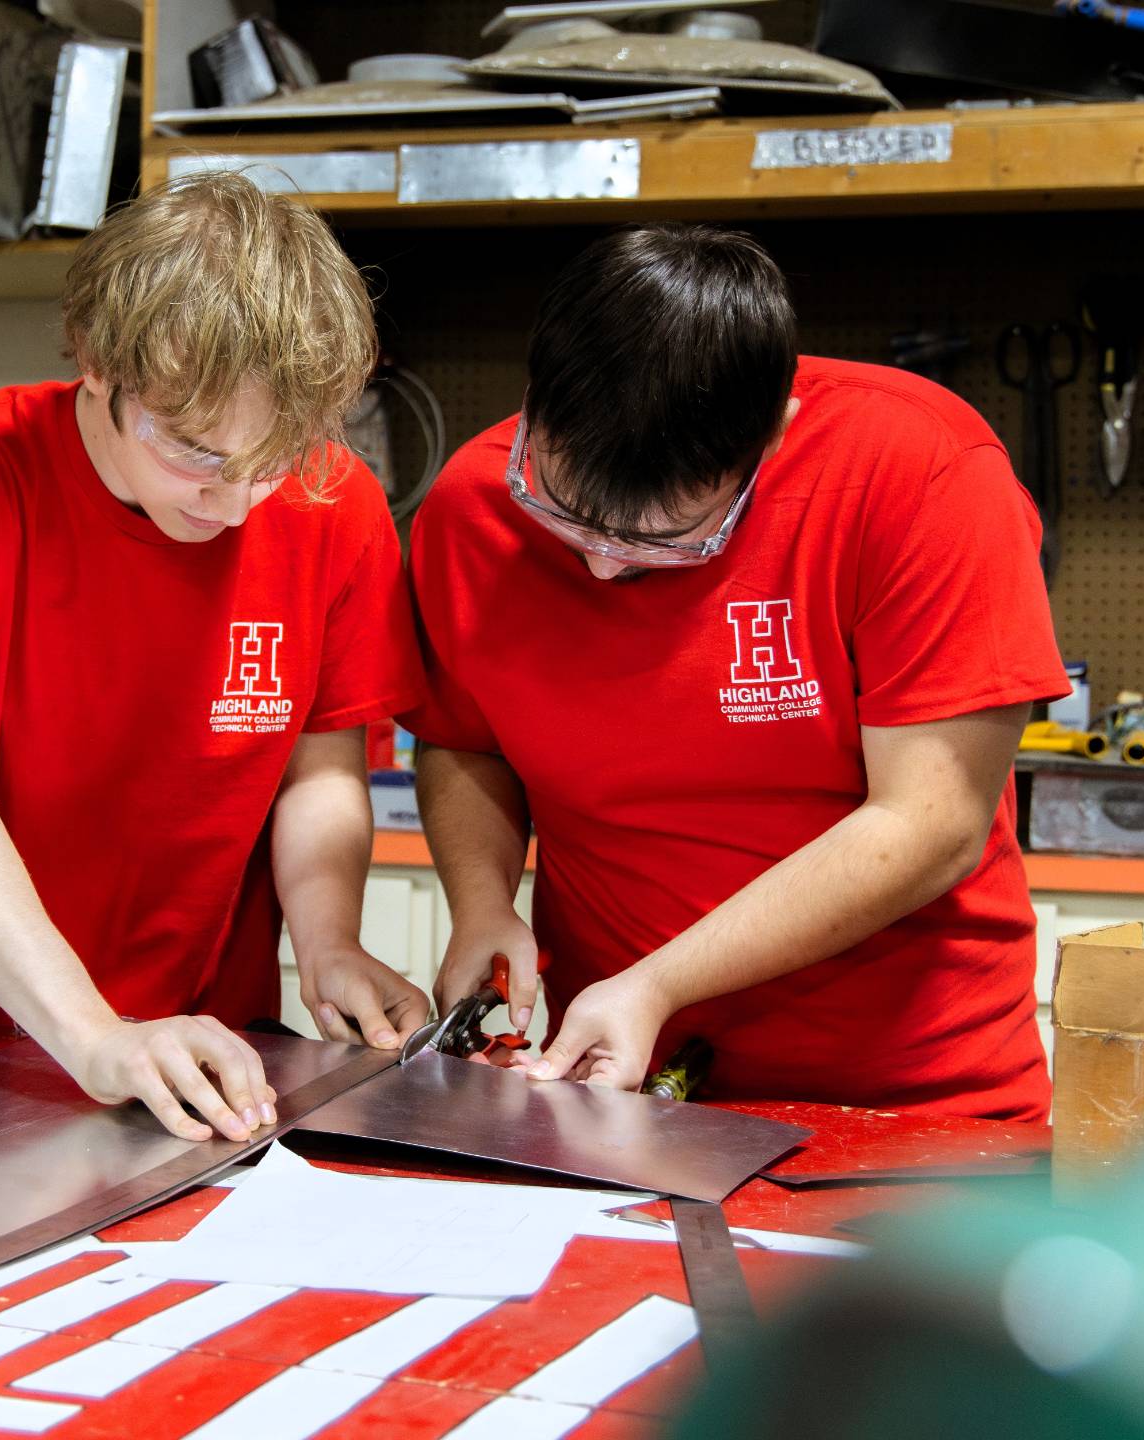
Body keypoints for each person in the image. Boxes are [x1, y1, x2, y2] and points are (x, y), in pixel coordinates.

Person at [0, 174, 430, 1143]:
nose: (235, 505)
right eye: (194, 452)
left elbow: (320, 772)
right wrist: (96, 1036)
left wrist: (329, 944)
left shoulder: (331, 500)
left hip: (222, 1053)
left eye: (271, 461)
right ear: (98, 363)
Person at [406, 224, 1067, 1121]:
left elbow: (930, 820)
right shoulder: (469, 510)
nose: (600, 568)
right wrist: (483, 908)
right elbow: (463, 742)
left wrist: (659, 983)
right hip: (614, 1088)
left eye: (662, 540)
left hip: (905, 1101)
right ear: (533, 405)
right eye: (564, 516)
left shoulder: (922, 475)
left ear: (774, 431)